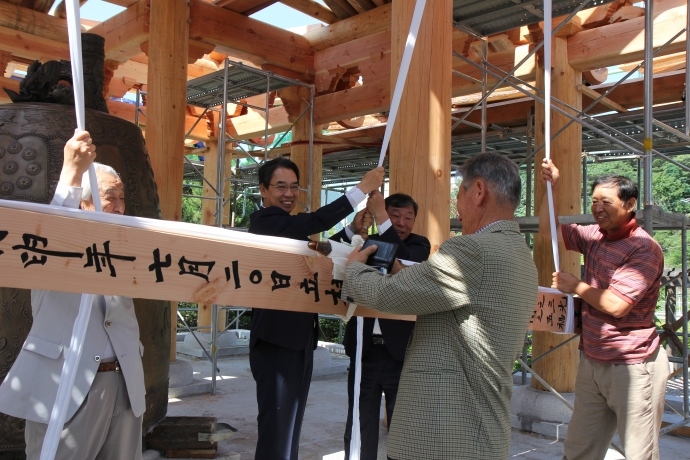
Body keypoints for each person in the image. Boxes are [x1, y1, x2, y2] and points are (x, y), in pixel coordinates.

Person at [342, 152, 538, 459]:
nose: (457, 209)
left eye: (459, 195)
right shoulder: (520, 254)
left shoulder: (473, 249)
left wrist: (353, 269)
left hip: (443, 435)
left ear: (478, 191)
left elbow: (388, 295)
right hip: (481, 431)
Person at [0, 130, 145, 460]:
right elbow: (51, 229)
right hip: (67, 384)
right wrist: (72, 172)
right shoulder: (51, 248)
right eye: (109, 197)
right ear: (84, 201)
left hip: (124, 382)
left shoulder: (128, 247)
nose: (119, 206)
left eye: (122, 197)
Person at [247, 157, 384, 460]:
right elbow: (312, 223)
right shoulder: (265, 221)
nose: (289, 194)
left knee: (290, 427)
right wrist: (361, 189)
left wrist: (350, 231)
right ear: (263, 190)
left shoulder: (287, 227)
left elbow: (317, 256)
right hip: (275, 341)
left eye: (294, 187)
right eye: (280, 187)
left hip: (297, 340)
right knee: (277, 430)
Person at [540, 159, 668, 460]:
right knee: (579, 450)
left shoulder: (643, 248)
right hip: (593, 359)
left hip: (632, 365)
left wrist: (576, 286)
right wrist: (551, 188)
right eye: (595, 201)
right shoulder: (595, 236)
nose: (598, 208)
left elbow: (617, 305)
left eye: (606, 202)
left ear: (630, 204)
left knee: (639, 453)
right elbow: (548, 230)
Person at [332, 192, 430, 460]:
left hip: (398, 353)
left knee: (402, 427)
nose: (401, 222)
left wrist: (381, 217)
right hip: (364, 350)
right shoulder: (364, 242)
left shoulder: (419, 245)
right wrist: (353, 230)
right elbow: (331, 254)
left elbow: (403, 258)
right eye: (394, 215)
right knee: (359, 423)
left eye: (408, 217)